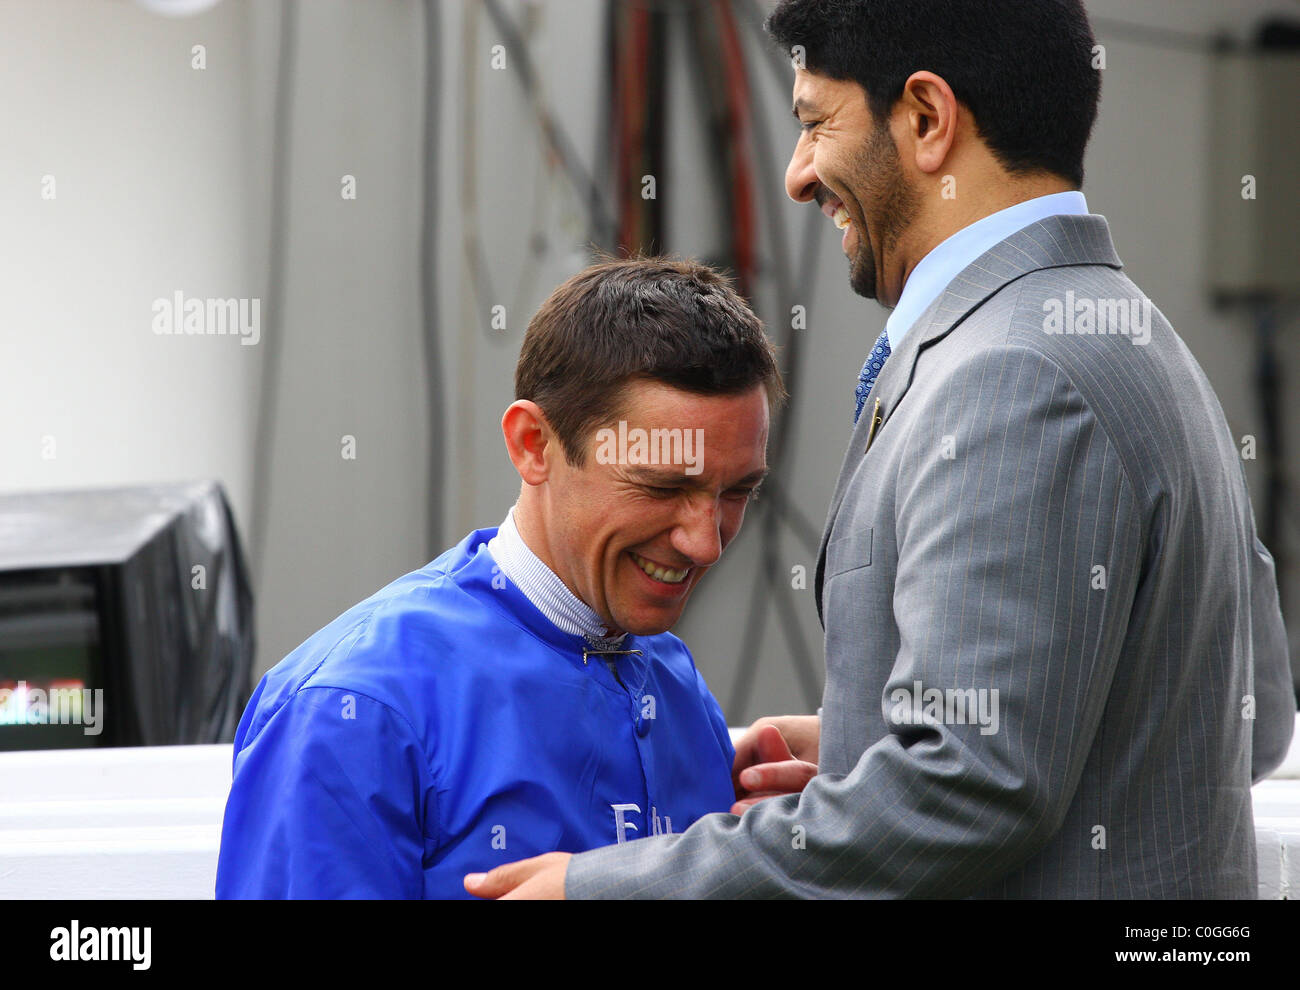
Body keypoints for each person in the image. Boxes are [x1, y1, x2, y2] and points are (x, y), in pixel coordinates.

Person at [466, 0, 1296, 899]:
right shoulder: (1140, 344)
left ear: (928, 120)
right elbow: (1252, 721)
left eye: (818, 122)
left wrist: (603, 888)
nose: (797, 175)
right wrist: (866, 740)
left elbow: (971, 789)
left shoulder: (1011, 373)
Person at [215, 256, 783, 898]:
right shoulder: (351, 709)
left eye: (737, 491)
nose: (705, 542)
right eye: (660, 486)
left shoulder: (674, 681)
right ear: (533, 444)